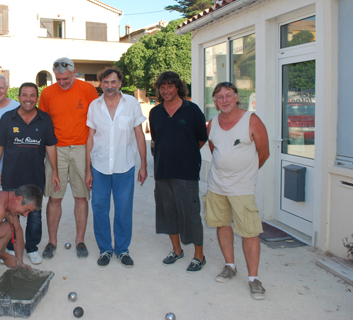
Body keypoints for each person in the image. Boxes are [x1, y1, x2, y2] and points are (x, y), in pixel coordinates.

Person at [205, 82, 269, 300]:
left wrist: (246, 173)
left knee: (249, 232)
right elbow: (214, 149)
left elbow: (264, 152)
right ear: (215, 101)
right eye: (220, 97)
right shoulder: (212, 123)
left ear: (236, 97)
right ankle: (229, 266)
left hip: (242, 188)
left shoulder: (251, 120)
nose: (224, 100)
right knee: (223, 225)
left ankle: (254, 279)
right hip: (216, 186)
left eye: (228, 95)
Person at [0, 82, 60, 265]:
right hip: (11, 176)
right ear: (19, 96)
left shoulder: (45, 119)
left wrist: (55, 172)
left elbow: (50, 146)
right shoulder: (8, 118)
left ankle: (31, 248)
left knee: (35, 216)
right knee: (11, 215)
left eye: (32, 95)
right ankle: (11, 247)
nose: (28, 99)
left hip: (35, 177)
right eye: (24, 95)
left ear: (36, 98)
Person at [85, 67, 147, 268]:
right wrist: (88, 169)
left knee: (123, 210)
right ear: (100, 84)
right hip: (100, 166)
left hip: (125, 166)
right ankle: (105, 249)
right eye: (105, 82)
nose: (109, 86)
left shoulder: (131, 104)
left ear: (120, 83)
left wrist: (143, 165)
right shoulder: (94, 106)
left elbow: (139, 135)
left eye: (113, 82)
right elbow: (90, 138)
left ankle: (122, 250)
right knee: (100, 209)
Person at [38, 57, 99, 259]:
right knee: (55, 198)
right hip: (57, 150)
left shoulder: (88, 90)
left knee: (81, 197)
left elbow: (95, 121)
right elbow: (44, 123)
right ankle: (51, 242)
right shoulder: (47, 93)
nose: (62, 82)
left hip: (82, 148)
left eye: (65, 78)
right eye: (58, 79)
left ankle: (80, 241)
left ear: (74, 72)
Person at [149, 71, 208, 273]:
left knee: (191, 214)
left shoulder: (193, 111)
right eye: (162, 87)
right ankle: (176, 250)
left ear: (178, 88)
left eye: (170, 86)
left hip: (186, 172)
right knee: (168, 213)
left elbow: (201, 138)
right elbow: (157, 139)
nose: (165, 91)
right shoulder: (155, 113)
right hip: (162, 171)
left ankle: (199, 255)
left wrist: (186, 153)